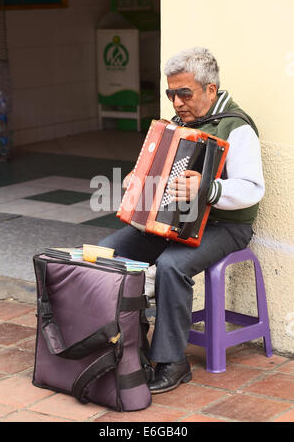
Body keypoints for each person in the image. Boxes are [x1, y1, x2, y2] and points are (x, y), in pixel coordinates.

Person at [98, 47, 265, 394]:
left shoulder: (237, 127)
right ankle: (133, 347)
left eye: (184, 94)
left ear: (210, 90)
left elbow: (252, 189)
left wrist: (207, 189)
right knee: (107, 254)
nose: (176, 103)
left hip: (226, 227)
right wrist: (138, 180)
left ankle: (174, 362)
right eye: (170, 94)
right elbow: (156, 174)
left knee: (172, 266)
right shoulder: (177, 126)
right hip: (176, 222)